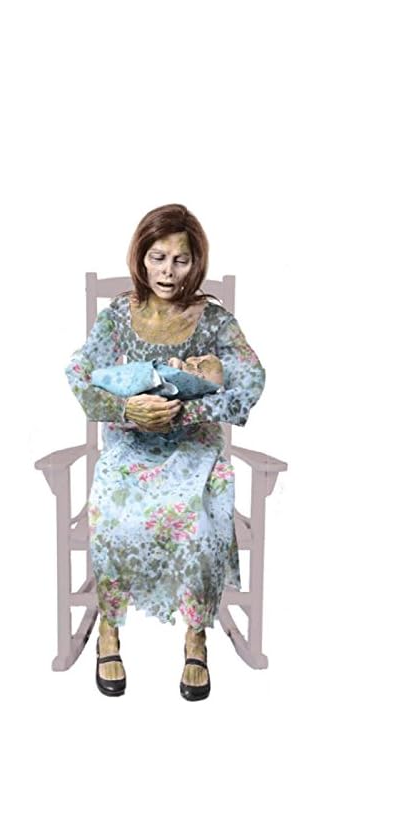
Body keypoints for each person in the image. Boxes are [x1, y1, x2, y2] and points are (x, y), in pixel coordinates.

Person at [64, 204, 266, 700]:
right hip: (129, 450)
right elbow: (79, 374)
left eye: (181, 259)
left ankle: (196, 637)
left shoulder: (214, 320)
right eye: (158, 257)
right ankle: (108, 627)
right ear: (141, 257)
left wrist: (185, 412)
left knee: (197, 523)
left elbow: (251, 380)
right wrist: (127, 410)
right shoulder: (118, 316)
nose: (168, 271)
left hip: (194, 453)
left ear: (196, 262)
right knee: (113, 519)